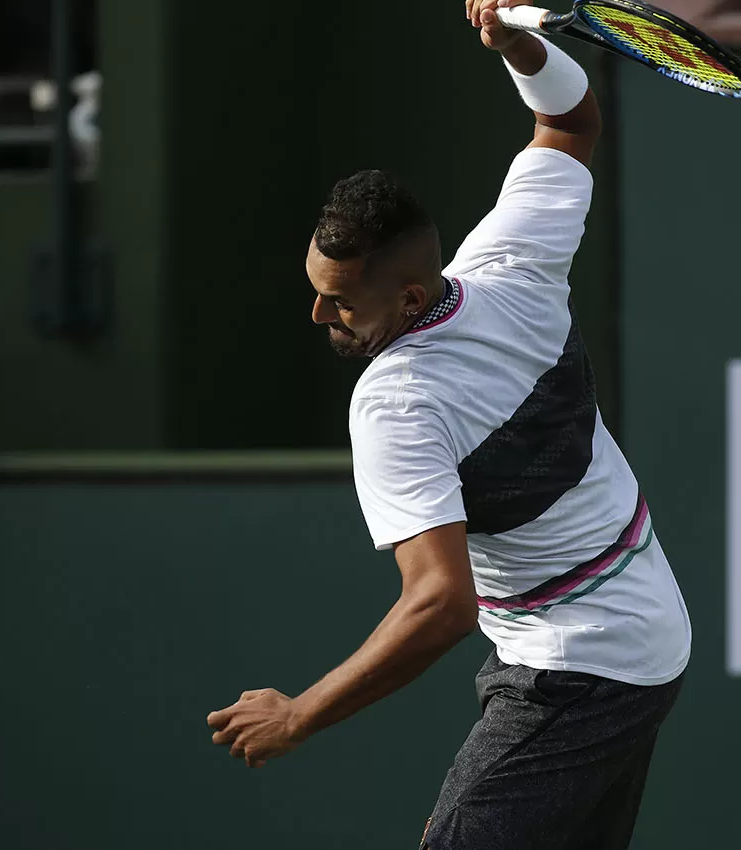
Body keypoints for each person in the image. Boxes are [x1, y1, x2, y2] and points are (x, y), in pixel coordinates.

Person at [206, 1, 691, 846]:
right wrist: (520, 46)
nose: (319, 312)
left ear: (410, 298)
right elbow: (568, 118)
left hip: (577, 663)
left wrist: (301, 714)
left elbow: (439, 604)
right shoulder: (515, 259)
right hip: (644, 631)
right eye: (316, 287)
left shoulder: (397, 404)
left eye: (341, 301)